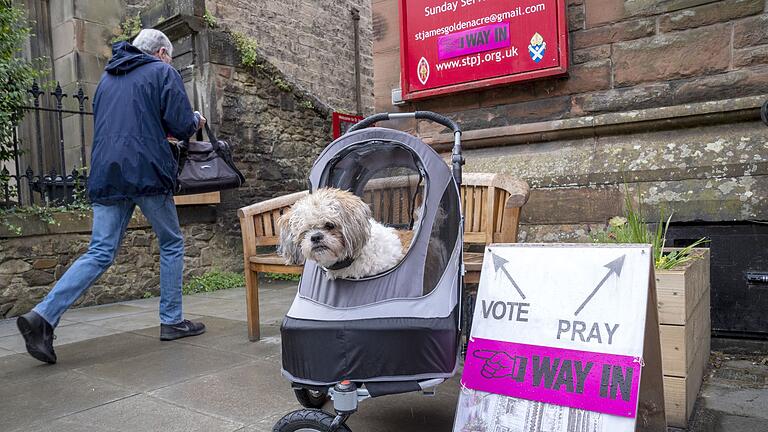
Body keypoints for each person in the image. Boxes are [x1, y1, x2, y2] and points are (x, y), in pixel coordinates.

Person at [16, 29, 207, 364]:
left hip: (107, 172)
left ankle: (42, 317)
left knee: (101, 251)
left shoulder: (107, 79)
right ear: (161, 53)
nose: (170, 62)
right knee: (172, 243)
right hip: (145, 170)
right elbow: (179, 125)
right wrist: (195, 119)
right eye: (170, 56)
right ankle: (172, 320)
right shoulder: (163, 72)